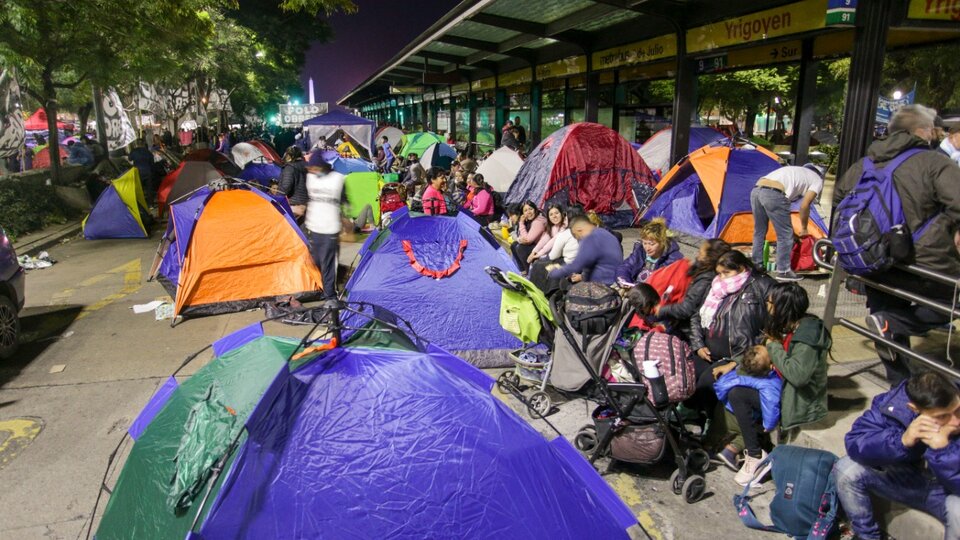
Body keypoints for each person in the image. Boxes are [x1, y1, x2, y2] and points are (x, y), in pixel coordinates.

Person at [834, 104, 960, 386]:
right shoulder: (933, 163)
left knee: (884, 317)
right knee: (947, 304)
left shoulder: (863, 163)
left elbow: (839, 198)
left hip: (873, 259)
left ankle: (899, 385)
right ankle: (893, 325)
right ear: (923, 131)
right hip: (924, 262)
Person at [712, 282, 831, 483]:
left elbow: (798, 375)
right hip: (779, 384)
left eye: (770, 302)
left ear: (782, 307)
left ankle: (755, 455)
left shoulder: (808, 335)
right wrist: (734, 363)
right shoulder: (789, 324)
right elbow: (764, 351)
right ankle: (729, 442)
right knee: (729, 380)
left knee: (737, 394)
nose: (767, 306)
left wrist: (774, 346)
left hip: (798, 400)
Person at [836, 371, 960, 540]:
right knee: (847, 468)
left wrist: (944, 452)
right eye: (943, 416)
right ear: (915, 409)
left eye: (958, 410)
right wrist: (902, 441)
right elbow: (855, 442)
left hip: (946, 493)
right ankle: (867, 537)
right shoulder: (896, 405)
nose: (955, 421)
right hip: (912, 481)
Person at [687, 250, 773, 451]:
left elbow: (767, 329)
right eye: (720, 273)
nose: (721, 277)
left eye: (726, 273)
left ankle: (713, 426)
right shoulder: (716, 285)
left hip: (735, 355)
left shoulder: (761, 286)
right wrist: (698, 344)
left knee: (707, 383)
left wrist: (737, 360)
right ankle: (694, 417)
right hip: (707, 349)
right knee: (686, 373)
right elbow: (696, 316)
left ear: (741, 268)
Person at [712, 344, 784, 485]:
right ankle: (754, 454)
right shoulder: (770, 383)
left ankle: (712, 445)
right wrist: (769, 425)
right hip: (745, 415)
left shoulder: (737, 374)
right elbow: (771, 406)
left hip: (728, 410)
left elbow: (720, 387)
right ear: (771, 366)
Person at [750, 163, 825, 282]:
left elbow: (782, 217)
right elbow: (805, 205)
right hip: (774, 193)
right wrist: (804, 228)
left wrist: (792, 233)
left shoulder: (796, 171)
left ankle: (756, 265)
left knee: (759, 231)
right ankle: (784, 271)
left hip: (756, 190)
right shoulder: (817, 180)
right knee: (784, 235)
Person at [655, 238, 732, 338]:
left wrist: (662, 310)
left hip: (687, 332)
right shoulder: (706, 272)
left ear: (709, 258)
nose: (697, 255)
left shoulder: (706, 280)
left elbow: (687, 308)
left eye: (701, 253)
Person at [304, 155, 346, 300]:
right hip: (314, 226)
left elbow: (345, 202)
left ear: (321, 166)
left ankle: (330, 296)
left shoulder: (338, 179)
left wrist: (346, 222)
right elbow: (307, 197)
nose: (312, 170)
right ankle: (324, 288)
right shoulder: (310, 178)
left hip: (330, 228)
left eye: (314, 167)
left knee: (328, 263)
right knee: (315, 261)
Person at [547, 214, 623, 286]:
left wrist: (554, 272)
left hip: (603, 284)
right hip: (613, 279)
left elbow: (576, 265)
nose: (578, 239)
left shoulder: (591, 238)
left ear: (579, 230)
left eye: (575, 235)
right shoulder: (603, 232)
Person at [616, 218, 683, 286]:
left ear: (662, 242)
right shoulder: (640, 251)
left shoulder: (674, 259)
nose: (647, 248)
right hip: (636, 289)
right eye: (644, 243)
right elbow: (626, 267)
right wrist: (624, 280)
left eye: (652, 244)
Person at [510, 201, 548, 273]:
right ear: (523, 214)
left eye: (530, 209)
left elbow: (527, 240)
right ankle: (523, 271)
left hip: (544, 247)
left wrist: (521, 223)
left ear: (535, 209)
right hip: (537, 245)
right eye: (525, 210)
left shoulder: (538, 221)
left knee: (520, 248)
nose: (528, 212)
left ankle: (530, 273)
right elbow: (521, 237)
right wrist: (520, 239)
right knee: (514, 245)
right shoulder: (529, 221)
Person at [279, 147, 309, 220]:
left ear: (290, 156)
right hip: (308, 203)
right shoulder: (308, 165)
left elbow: (285, 187)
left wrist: (277, 197)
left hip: (295, 206)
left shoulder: (289, 168)